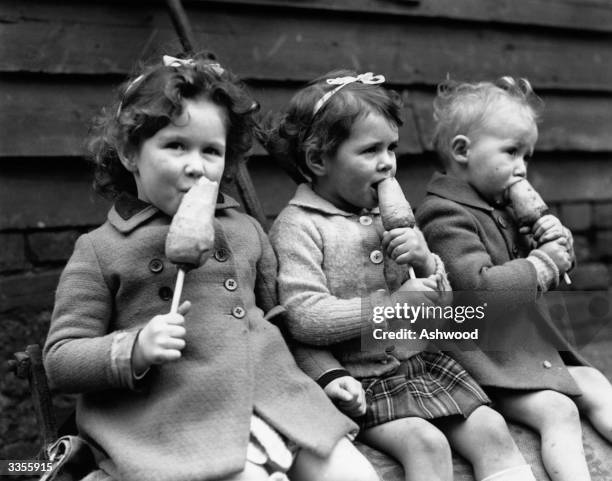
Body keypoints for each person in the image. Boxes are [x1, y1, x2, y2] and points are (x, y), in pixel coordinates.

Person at [43, 53, 380, 481]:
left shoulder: (245, 232)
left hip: (279, 400)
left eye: (212, 151)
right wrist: (135, 348)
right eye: (175, 146)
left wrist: (327, 374)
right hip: (173, 421)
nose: (196, 166)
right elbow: (61, 359)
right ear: (130, 154)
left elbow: (282, 322)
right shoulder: (101, 249)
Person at [266, 70, 536, 481]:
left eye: (391, 147)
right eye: (370, 150)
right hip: (358, 379)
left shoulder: (389, 216)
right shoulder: (298, 227)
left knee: (492, 429)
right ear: (318, 160)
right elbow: (304, 317)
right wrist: (390, 309)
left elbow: (441, 308)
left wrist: (427, 263)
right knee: (425, 443)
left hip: (422, 364)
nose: (387, 162)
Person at [417, 76, 612, 481]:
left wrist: (554, 254)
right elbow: (478, 293)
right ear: (462, 151)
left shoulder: (499, 208)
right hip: (479, 362)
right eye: (511, 152)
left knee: (593, 379)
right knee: (560, 409)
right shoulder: (443, 215)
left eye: (527, 155)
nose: (522, 167)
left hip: (518, 353)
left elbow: (535, 282)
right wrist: (540, 265)